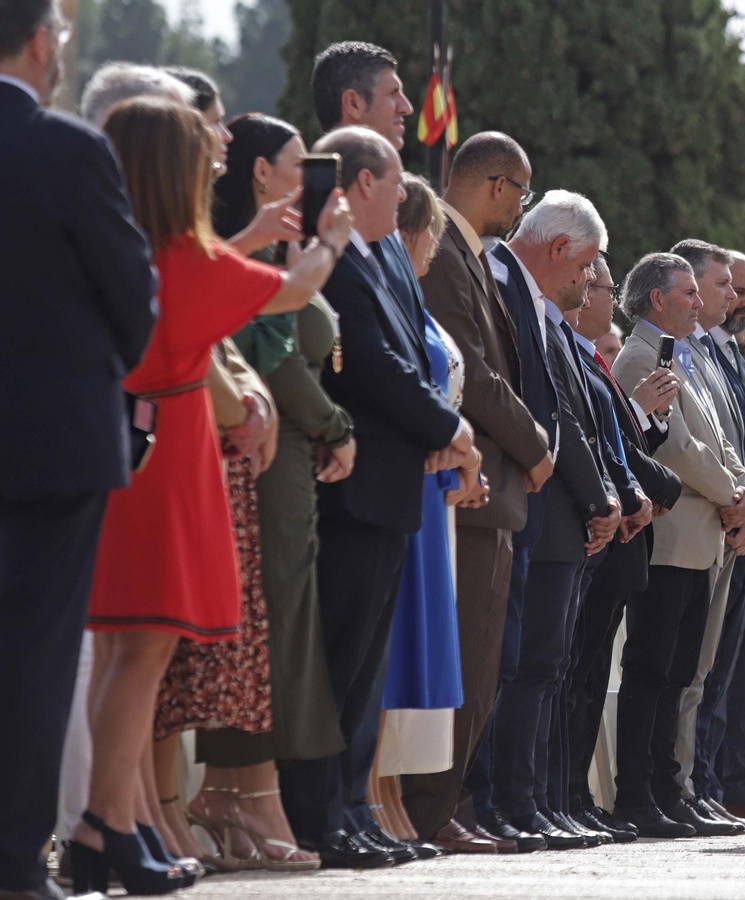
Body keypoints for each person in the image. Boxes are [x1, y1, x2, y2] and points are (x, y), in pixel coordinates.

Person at [78, 96, 349, 895]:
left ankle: (110, 824)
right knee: (145, 653)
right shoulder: (182, 257)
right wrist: (328, 238)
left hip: (130, 454)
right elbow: (295, 290)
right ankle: (107, 823)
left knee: (125, 652)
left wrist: (253, 238)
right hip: (169, 465)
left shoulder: (131, 251)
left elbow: (209, 288)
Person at [275, 125, 472, 869]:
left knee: (366, 668)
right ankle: (318, 812)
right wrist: (449, 427)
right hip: (350, 489)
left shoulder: (382, 254)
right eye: (393, 182)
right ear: (361, 184)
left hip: (393, 487)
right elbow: (373, 368)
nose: (403, 194)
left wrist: (443, 430)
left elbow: (410, 360)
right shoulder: (334, 264)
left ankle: (350, 806)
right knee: (338, 658)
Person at [0, 5, 158, 896]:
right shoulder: (68, 149)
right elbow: (135, 303)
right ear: (38, 41)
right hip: (53, 447)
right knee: (33, 656)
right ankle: (16, 862)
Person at [183, 110, 354, 873]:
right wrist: (333, 423)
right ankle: (247, 792)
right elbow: (273, 340)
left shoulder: (251, 240)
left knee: (271, 627)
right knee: (263, 630)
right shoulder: (227, 245)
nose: (306, 174)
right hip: (261, 450)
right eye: (295, 161)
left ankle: (241, 791)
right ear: (261, 173)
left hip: (278, 448)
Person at [402, 132, 554, 854]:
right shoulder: (447, 258)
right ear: (496, 183)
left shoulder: (467, 256)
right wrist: (536, 445)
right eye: (521, 190)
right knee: (464, 651)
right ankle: (434, 806)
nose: (522, 205)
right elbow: (477, 379)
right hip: (471, 487)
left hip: (488, 489)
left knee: (482, 653)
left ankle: (446, 802)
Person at [488, 191, 621, 849]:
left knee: (546, 665)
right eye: (589, 267)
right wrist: (601, 499)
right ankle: (514, 799)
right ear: (562, 249)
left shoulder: (547, 317)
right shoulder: (515, 297)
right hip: (540, 506)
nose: (590, 281)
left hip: (559, 514)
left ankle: (533, 798)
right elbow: (553, 415)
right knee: (528, 665)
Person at [610, 252, 745, 839]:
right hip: (670, 536)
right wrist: (731, 493)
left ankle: (670, 787)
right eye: (688, 293)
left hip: (700, 536)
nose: (700, 303)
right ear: (657, 299)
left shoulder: (680, 352)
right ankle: (638, 794)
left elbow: (716, 436)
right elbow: (672, 449)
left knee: (679, 674)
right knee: (651, 668)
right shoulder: (641, 355)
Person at [368, 174, 475, 860]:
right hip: (411, 480)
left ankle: (391, 792)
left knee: (418, 646)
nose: (436, 244)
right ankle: (375, 791)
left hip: (438, 490)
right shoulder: (389, 295)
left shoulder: (415, 301)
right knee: (392, 639)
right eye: (432, 229)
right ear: (413, 230)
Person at [563, 255, 683, 843]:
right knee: (572, 676)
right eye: (602, 285)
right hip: (598, 536)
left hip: (622, 536)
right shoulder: (588, 357)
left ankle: (572, 795)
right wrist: (654, 489)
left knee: (585, 680)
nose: (606, 296)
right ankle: (560, 793)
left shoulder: (592, 358)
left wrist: (643, 419)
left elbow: (623, 438)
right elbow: (600, 442)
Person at [668, 240, 745, 836]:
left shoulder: (719, 355)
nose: (739, 300)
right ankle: (691, 784)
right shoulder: (681, 354)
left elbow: (739, 446)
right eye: (729, 287)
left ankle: (704, 783)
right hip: (704, 526)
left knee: (717, 672)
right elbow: (685, 446)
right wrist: (742, 503)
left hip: (740, 525)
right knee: (689, 672)